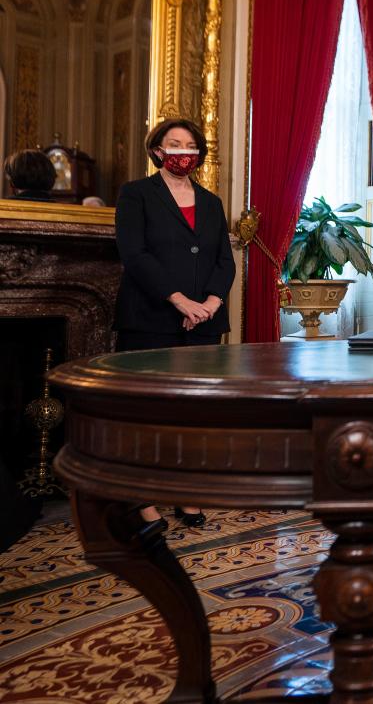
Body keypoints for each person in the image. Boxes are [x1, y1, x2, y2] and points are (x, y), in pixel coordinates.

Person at [114, 118, 235, 529]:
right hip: (150, 319)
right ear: (158, 151)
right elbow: (135, 256)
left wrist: (210, 304)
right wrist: (181, 301)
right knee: (146, 414)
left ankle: (186, 491)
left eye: (190, 145)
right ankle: (141, 498)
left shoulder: (212, 201)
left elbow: (224, 260)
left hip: (203, 322)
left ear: (199, 154)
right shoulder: (136, 194)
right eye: (174, 144)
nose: (183, 151)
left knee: (192, 414)